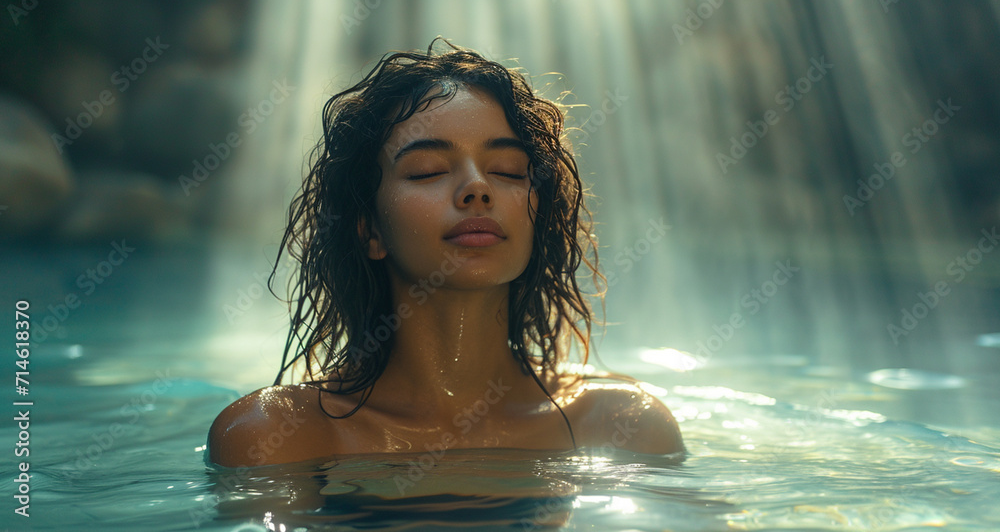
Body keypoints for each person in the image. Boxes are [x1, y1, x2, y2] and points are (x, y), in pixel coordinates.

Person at [208, 37, 682, 467]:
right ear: (369, 229)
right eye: (428, 170)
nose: (478, 187)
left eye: (509, 171)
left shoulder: (622, 427)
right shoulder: (278, 437)